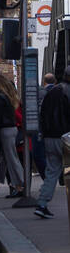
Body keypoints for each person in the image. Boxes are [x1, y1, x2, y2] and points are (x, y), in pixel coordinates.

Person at [34, 67, 70, 218]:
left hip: (50, 137)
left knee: (52, 171)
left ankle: (42, 203)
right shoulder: (67, 92)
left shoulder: (52, 92)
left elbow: (42, 114)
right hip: (66, 137)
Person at [0, 75, 24, 197]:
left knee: (11, 158)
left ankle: (20, 186)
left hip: (5, 129)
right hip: (10, 129)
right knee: (3, 159)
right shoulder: (7, 96)